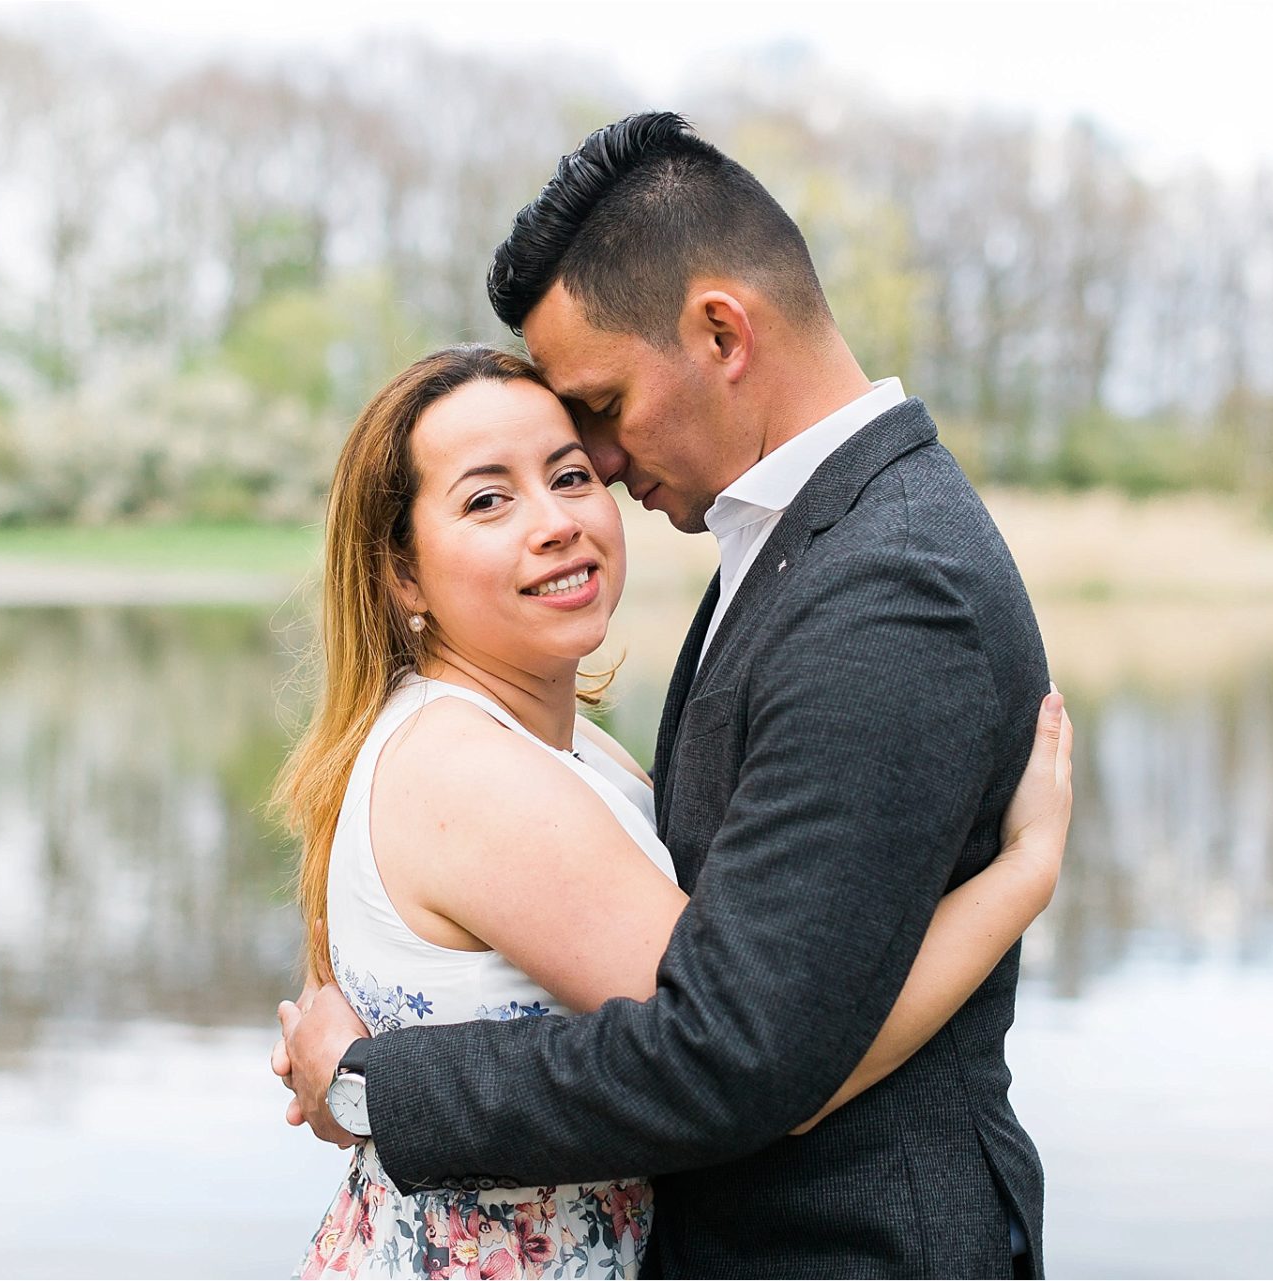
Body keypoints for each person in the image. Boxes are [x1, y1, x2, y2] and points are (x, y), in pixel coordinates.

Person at [277, 112, 1062, 1278]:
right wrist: (1016, 885)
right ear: (402, 573)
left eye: (590, 423)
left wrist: (373, 1088)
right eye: (489, 498)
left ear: (720, 332)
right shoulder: (792, 543)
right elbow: (741, 1042)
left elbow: (735, 1056)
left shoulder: (889, 586)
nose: (589, 474)